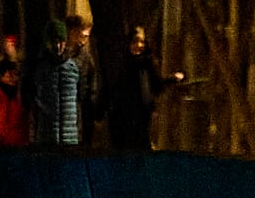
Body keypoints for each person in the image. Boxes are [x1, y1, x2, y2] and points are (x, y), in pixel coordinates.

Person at [104, 23, 178, 154]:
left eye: (142, 42)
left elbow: (156, 85)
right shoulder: (121, 64)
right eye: (135, 41)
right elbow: (112, 88)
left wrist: (173, 79)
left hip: (142, 119)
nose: (139, 45)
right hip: (123, 119)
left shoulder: (147, 64)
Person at [36, 17, 86, 148]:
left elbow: (80, 100)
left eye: (61, 41)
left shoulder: (73, 68)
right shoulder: (39, 69)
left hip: (70, 139)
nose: (58, 46)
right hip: (46, 139)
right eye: (54, 41)